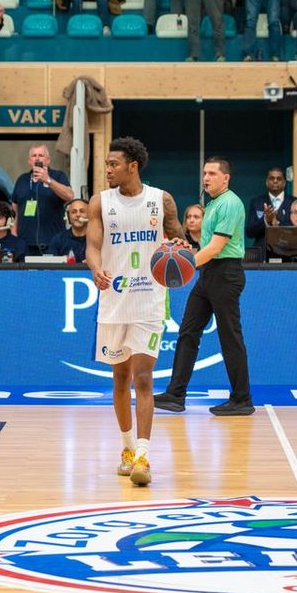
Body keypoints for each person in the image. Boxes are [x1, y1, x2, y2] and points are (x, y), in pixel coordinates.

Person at [86, 137, 182, 486]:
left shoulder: (161, 200)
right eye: (106, 165)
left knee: (143, 378)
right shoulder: (101, 202)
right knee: (120, 379)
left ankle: (143, 455)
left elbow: (178, 238)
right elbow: (92, 246)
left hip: (149, 300)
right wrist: (95, 268)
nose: (108, 170)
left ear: (133, 166)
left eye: (113, 164)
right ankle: (126, 448)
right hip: (114, 300)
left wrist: (180, 245)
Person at [156, 156, 252, 417]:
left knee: (230, 337)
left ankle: (242, 399)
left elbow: (216, 248)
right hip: (209, 274)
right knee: (188, 332)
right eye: (205, 173)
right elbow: (205, 247)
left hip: (225, 274)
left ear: (226, 178)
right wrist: (185, 252)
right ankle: (175, 395)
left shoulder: (230, 203)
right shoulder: (212, 204)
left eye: (212, 173)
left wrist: (184, 266)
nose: (206, 178)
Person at [10, 143, 75, 257]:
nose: (37, 158)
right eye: (34, 155)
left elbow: (70, 196)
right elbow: (14, 211)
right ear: (29, 161)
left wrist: (48, 180)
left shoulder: (58, 176)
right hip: (25, 244)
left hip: (52, 243)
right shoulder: (22, 179)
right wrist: (14, 236)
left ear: (48, 160)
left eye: (41, 155)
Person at [245, 167, 293, 255]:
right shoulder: (256, 202)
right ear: (266, 182)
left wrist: (277, 223)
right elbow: (249, 232)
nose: (275, 181)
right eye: (271, 178)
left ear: (284, 183)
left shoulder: (293, 202)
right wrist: (265, 220)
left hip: (287, 251)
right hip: (262, 252)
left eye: (279, 179)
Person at [48, 198, 89, 263]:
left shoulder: (98, 239)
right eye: (73, 212)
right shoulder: (58, 240)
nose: (78, 215)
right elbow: (50, 265)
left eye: (82, 211)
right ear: (68, 216)